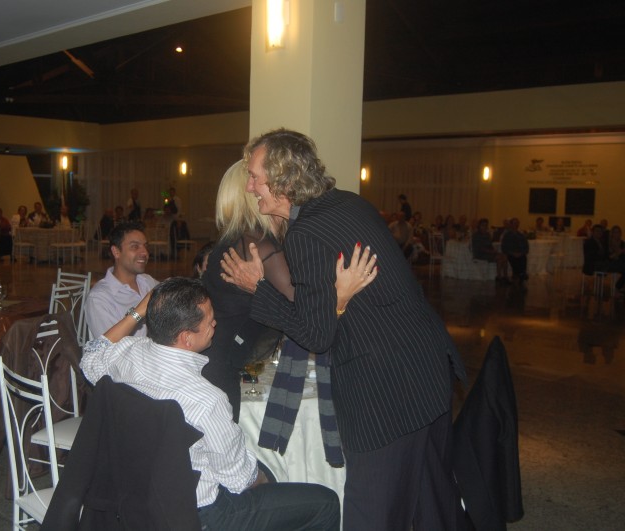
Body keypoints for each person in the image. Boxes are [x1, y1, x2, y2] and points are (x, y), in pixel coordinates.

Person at [220, 129, 467, 531]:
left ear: (282, 180)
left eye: (255, 177)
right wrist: (337, 301)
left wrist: (258, 288)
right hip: (427, 367)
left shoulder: (305, 233)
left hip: (387, 390)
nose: (250, 187)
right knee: (432, 501)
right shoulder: (349, 202)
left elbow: (316, 336)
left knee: (372, 511)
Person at [80, 277, 341, 531]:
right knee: (324, 502)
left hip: (135, 496)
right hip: (199, 514)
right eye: (209, 321)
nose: (215, 323)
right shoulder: (205, 399)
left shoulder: (126, 353)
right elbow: (239, 480)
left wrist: (138, 312)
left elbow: (90, 357)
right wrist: (265, 482)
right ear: (186, 338)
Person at [203, 161, 377, 420]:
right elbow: (305, 311)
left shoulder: (234, 241)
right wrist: (341, 293)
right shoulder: (258, 245)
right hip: (221, 364)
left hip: (212, 356)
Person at [84, 221, 158, 340]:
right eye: (135, 246)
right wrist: (137, 313)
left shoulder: (147, 281)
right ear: (116, 252)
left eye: (145, 246)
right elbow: (107, 346)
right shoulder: (99, 297)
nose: (144, 253)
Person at [472, 218, 509, 283]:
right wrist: (491, 252)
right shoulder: (476, 235)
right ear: (479, 226)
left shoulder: (487, 234)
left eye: (486, 225)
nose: (484, 227)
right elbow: (479, 248)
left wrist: (494, 250)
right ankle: (499, 277)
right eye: (483, 225)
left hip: (489, 252)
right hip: (480, 254)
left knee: (504, 256)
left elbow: (490, 245)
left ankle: (505, 277)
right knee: (499, 258)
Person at [500, 217, 529, 288]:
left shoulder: (521, 235)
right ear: (511, 224)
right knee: (515, 260)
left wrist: (521, 253)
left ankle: (521, 274)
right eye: (514, 223)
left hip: (520, 253)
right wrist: (512, 253)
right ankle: (519, 274)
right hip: (511, 253)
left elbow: (526, 247)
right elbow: (504, 247)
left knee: (523, 258)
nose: (516, 225)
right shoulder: (507, 235)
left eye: (517, 223)